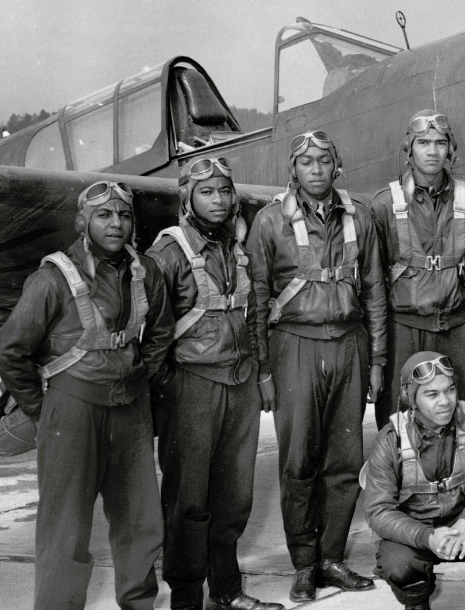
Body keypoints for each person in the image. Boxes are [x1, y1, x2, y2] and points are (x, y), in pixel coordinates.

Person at [0, 180, 175, 610]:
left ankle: (138, 602)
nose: (116, 223)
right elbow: (9, 349)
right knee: (66, 526)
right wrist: (42, 409)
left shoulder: (145, 272)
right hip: (72, 409)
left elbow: (160, 332)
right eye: (104, 215)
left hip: (130, 407)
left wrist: (136, 376)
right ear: (82, 222)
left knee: (140, 518)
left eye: (124, 215)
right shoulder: (53, 278)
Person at [247, 130, 390, 601]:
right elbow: (258, 301)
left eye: (324, 160)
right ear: (293, 169)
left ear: (337, 166)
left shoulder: (361, 217)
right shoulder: (269, 223)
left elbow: (374, 295)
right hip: (295, 346)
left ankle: (332, 558)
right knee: (297, 462)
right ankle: (304, 564)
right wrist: (265, 372)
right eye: (306, 161)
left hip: (349, 344)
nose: (315, 169)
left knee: (345, 461)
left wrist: (376, 361)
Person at [147, 157, 282, 610]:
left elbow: (255, 317)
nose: (219, 200)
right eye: (207, 192)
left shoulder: (237, 248)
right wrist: (172, 388)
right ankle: (186, 599)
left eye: (225, 190)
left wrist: (261, 374)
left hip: (240, 384)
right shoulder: (167, 253)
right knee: (188, 501)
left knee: (234, 497)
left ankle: (227, 591)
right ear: (187, 197)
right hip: (192, 387)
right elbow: (153, 334)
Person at [364, 351, 465, 610]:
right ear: (411, 398)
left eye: (450, 390)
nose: (445, 401)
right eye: (432, 394)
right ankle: (417, 603)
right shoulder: (390, 441)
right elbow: (378, 510)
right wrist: (426, 536)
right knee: (396, 563)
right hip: (417, 536)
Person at [371, 110, 465, 426]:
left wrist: (460, 299)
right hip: (404, 328)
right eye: (423, 142)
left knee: (463, 416)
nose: (432, 151)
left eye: (440, 142)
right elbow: (372, 280)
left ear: (449, 149)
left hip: (458, 328)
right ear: (409, 149)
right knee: (400, 423)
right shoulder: (384, 206)